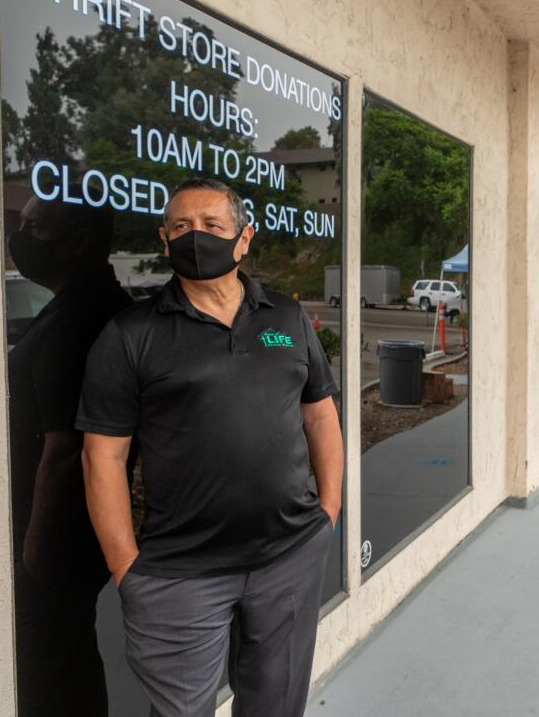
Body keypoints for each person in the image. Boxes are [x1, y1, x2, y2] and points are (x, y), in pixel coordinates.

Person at [78, 178, 343, 717]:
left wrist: (329, 514)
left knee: (277, 706)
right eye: (180, 227)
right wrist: (125, 564)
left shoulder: (287, 319)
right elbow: (100, 457)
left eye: (212, 226)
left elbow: (320, 415)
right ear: (163, 238)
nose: (195, 236)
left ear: (243, 239)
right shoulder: (131, 335)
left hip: (289, 558)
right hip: (180, 575)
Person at [7, 193, 132, 716]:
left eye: (35, 229)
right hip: (80, 527)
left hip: (57, 533)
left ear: (79, 244)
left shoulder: (76, 323)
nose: (19, 239)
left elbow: (64, 450)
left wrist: (34, 557)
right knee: (72, 656)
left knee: (52, 667)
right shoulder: (99, 306)